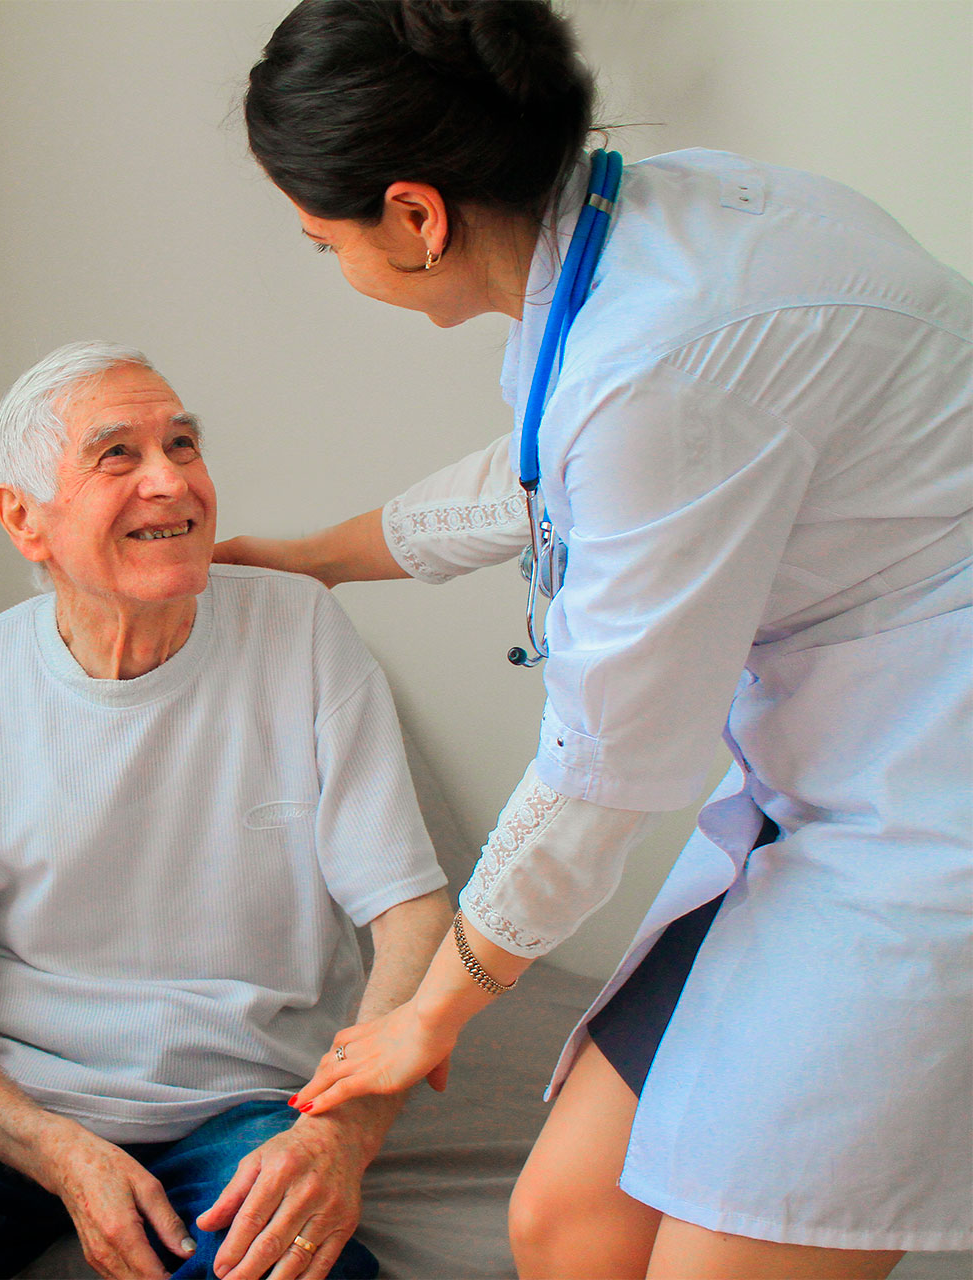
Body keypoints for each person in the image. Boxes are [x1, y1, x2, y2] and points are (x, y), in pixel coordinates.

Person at [220, 3, 973, 1278]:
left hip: (931, 802)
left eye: (322, 239)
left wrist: (431, 1011)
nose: (329, 262)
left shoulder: (657, 358)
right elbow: (544, 472)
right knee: (563, 1217)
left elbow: (603, 769)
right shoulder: (639, 235)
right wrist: (312, 559)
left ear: (414, 216)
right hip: (839, 757)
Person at [0, 341, 454, 1280]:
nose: (170, 480)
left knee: (287, 1269)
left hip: (251, 1098)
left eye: (182, 444)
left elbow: (411, 912)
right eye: (117, 455)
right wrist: (59, 1152)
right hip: (15, 1101)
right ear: (25, 519)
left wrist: (343, 1133)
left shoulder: (301, 630)